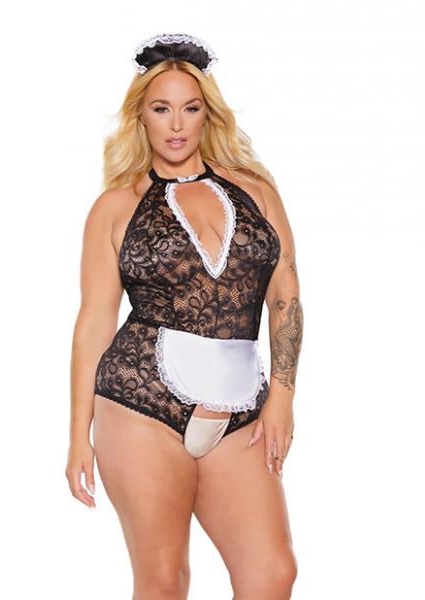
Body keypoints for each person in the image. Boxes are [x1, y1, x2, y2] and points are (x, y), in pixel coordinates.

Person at [66, 32, 303, 600]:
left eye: (190, 109)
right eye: (161, 109)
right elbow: (94, 323)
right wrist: (78, 435)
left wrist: (283, 397)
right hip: (141, 400)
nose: (176, 125)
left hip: (240, 406)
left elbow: (286, 298)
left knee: (272, 573)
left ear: (207, 114)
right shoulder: (116, 207)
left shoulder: (256, 193)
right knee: (164, 581)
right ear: (141, 116)